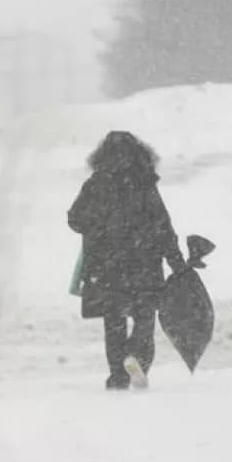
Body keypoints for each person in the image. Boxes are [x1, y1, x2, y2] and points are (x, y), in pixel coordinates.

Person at [68, 131, 185, 390]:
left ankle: (117, 375)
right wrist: (176, 261)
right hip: (145, 264)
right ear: (139, 153)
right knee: (144, 319)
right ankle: (137, 358)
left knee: (114, 322)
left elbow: (75, 219)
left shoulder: (96, 183)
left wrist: (98, 227)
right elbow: (162, 226)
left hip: (108, 266)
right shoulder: (145, 183)